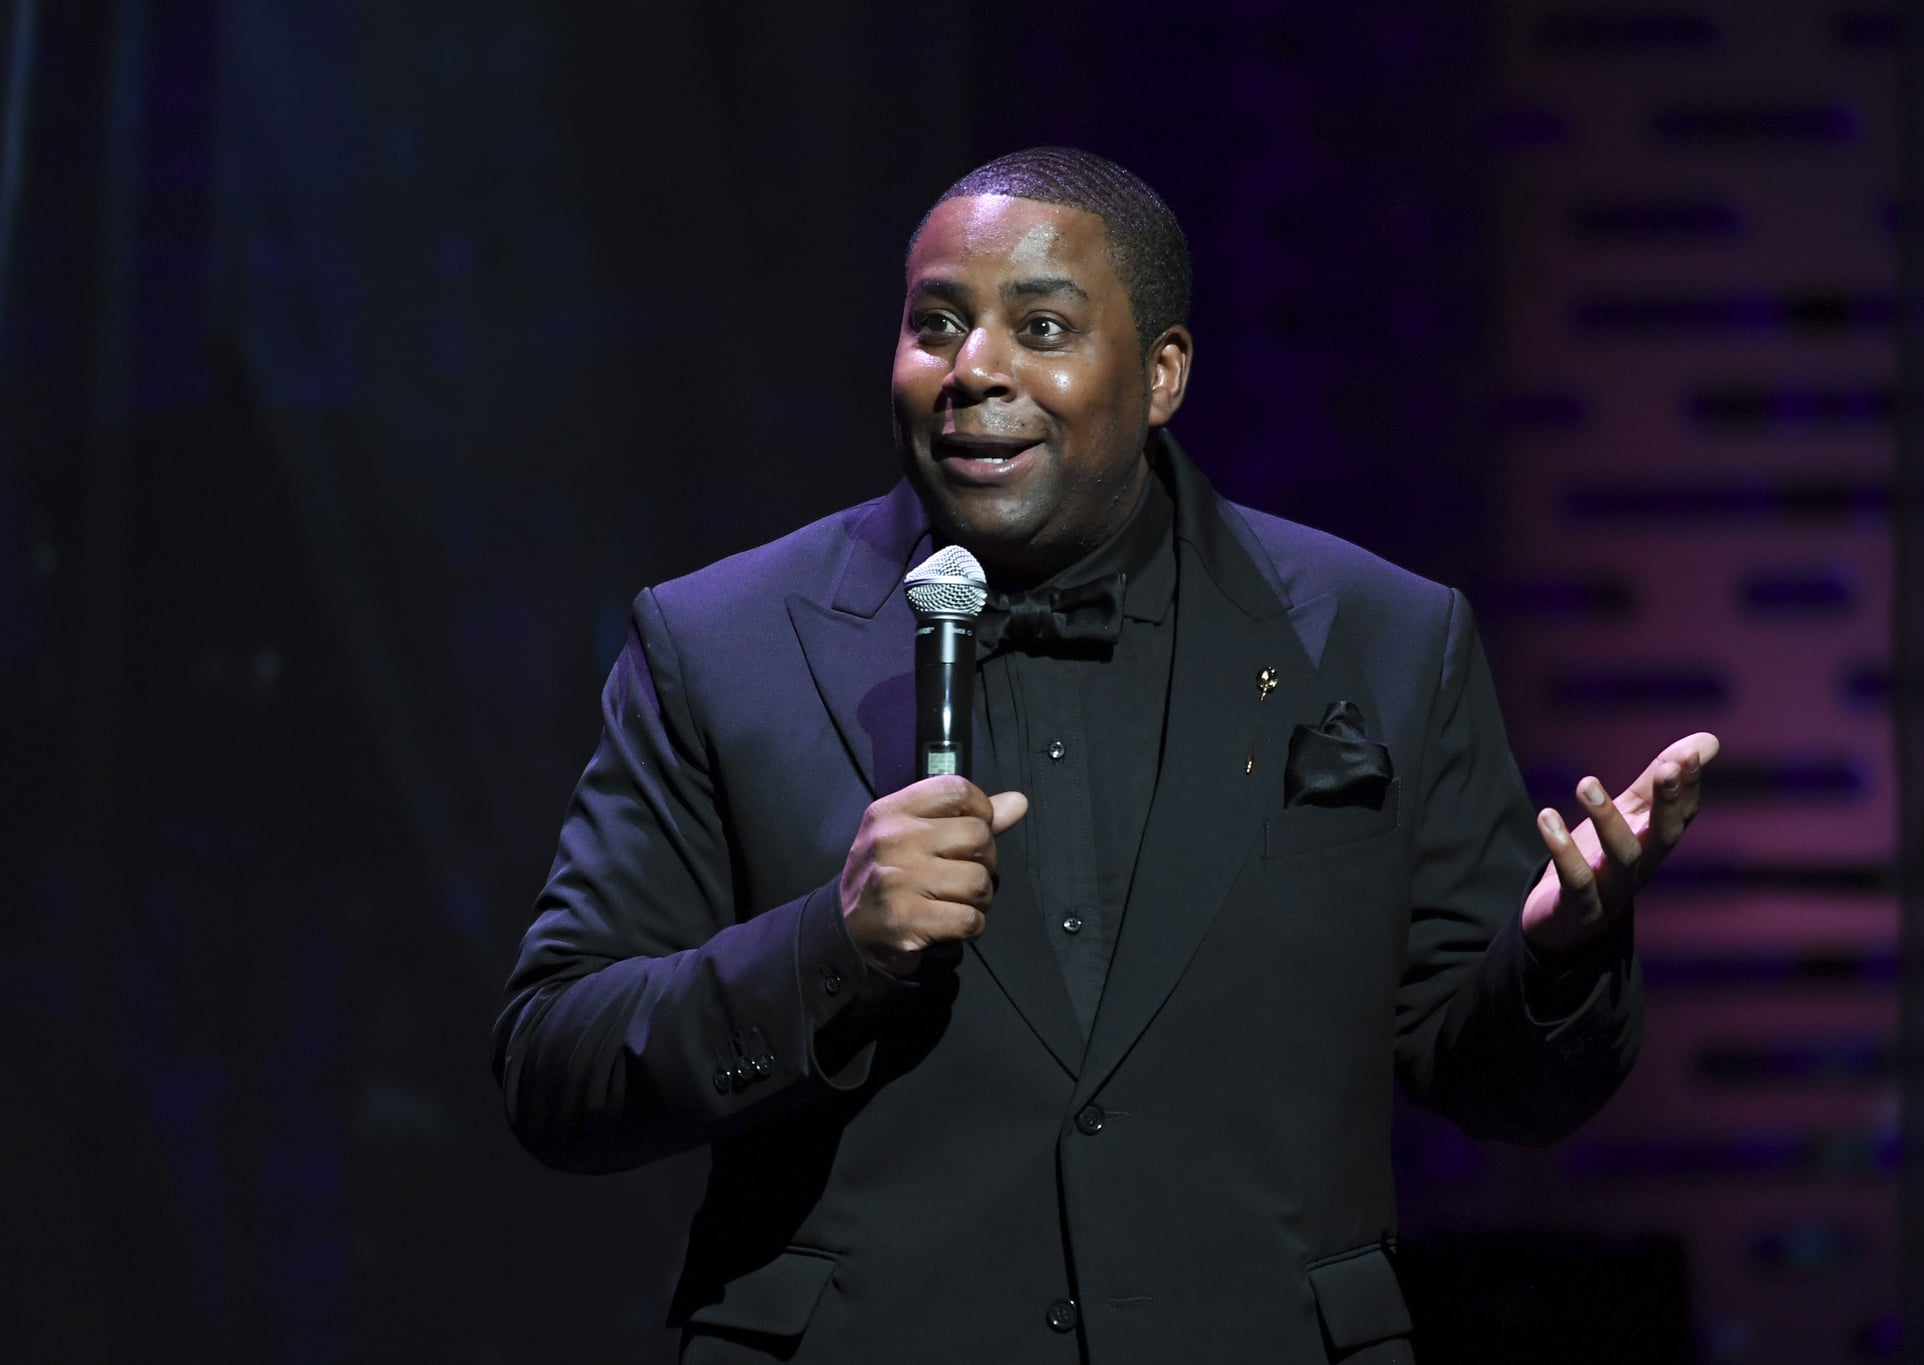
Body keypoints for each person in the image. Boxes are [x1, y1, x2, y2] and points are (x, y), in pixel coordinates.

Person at [493, 146, 1719, 1363]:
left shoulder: (1381, 638)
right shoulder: (720, 644)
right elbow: (558, 1064)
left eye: (1039, 326)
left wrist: (1557, 958)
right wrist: (829, 949)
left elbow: (1503, 1087)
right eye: (935, 325)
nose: (972, 370)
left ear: (1161, 374)